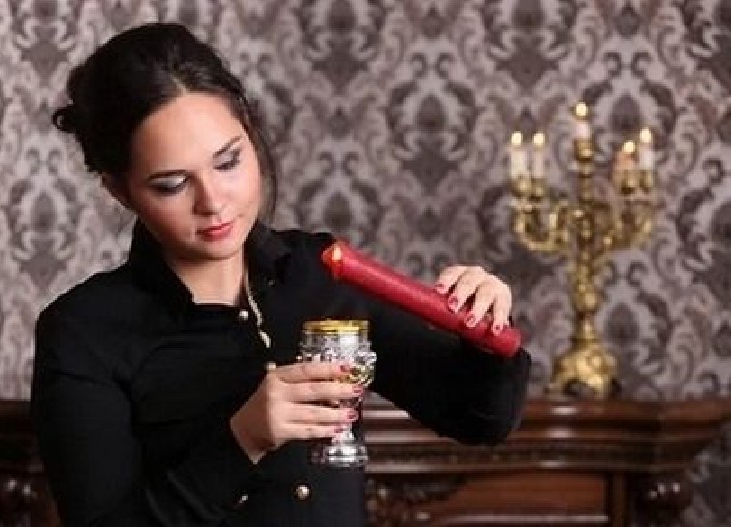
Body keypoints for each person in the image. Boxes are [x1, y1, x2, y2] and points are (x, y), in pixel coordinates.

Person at [31, 22, 531, 527]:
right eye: (172, 185)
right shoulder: (83, 332)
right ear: (119, 190)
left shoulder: (322, 273)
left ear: (250, 133)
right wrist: (243, 439)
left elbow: (481, 419)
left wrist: (485, 331)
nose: (213, 202)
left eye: (228, 162)